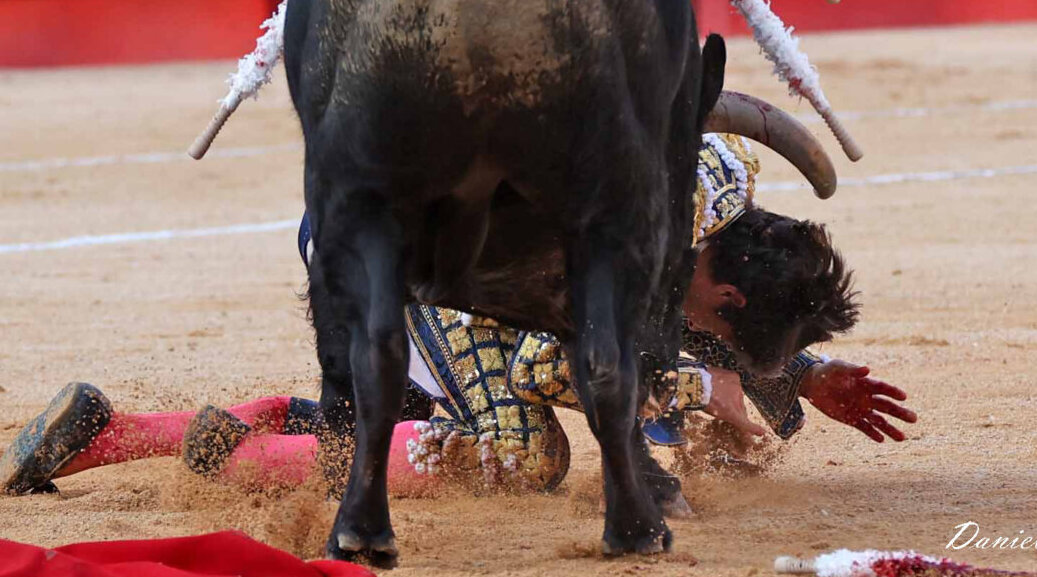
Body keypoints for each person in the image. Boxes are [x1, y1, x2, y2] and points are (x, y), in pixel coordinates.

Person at [1, 135, 916, 498]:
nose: (715, 343)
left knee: (408, 419)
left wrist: (788, 373)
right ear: (728, 290)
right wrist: (674, 399)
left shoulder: (714, 180)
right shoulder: (646, 250)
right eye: (724, 332)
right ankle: (232, 456)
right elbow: (544, 368)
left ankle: (113, 433)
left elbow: (671, 317)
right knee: (516, 458)